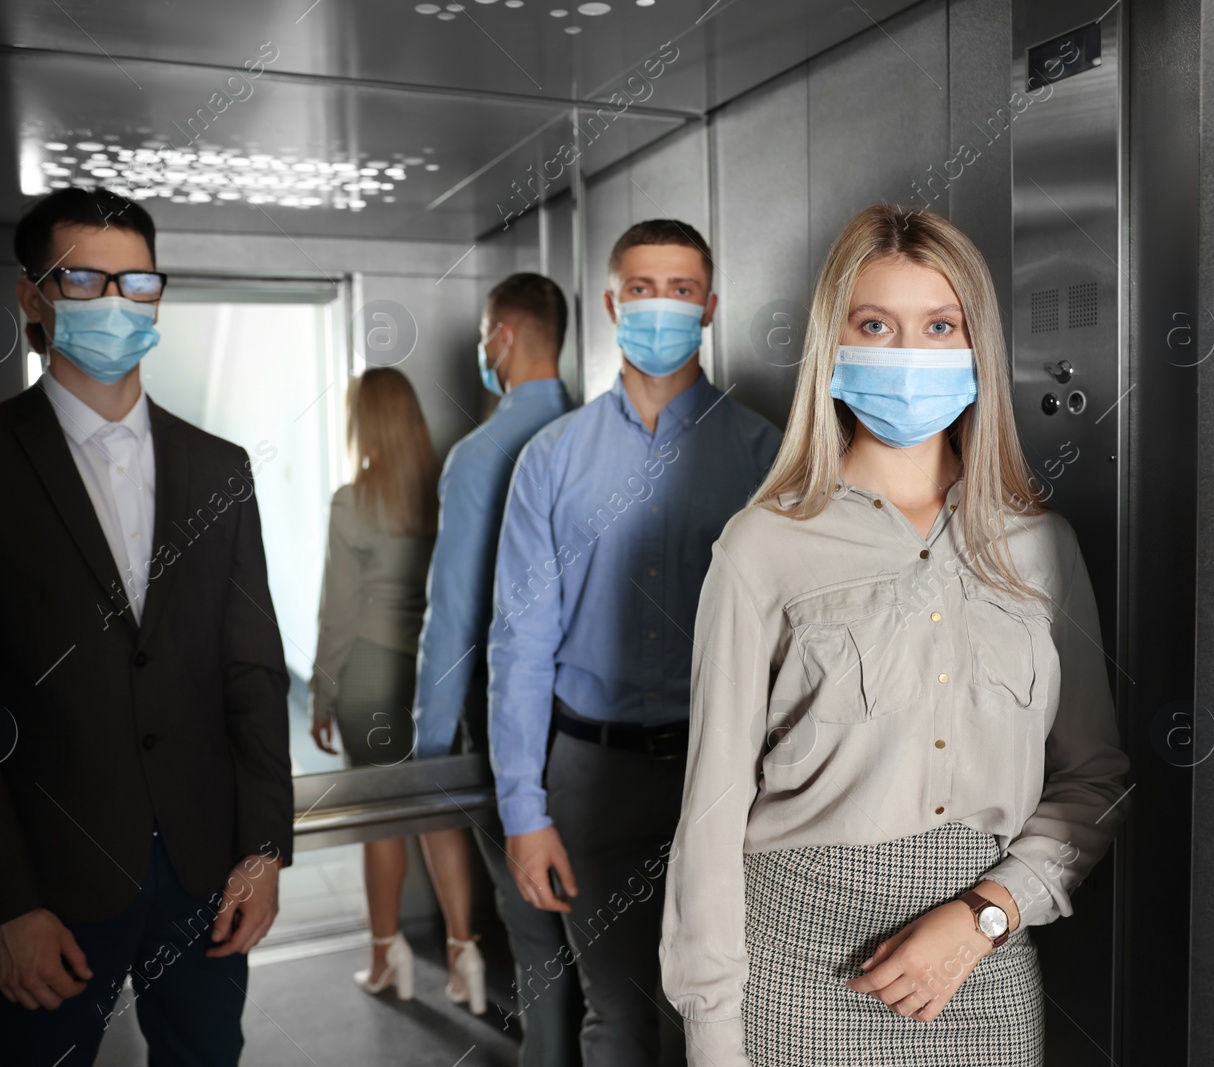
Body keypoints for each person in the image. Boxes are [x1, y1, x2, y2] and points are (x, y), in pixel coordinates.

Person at [659, 203, 1133, 1067]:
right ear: (833, 353)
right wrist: (714, 1037)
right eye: (876, 325)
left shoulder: (1041, 547)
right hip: (795, 973)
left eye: (938, 326)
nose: (907, 354)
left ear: (977, 349)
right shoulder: (763, 545)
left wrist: (984, 913)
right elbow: (712, 814)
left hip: (978, 971)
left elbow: (1095, 778)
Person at [0, 186, 292, 1066]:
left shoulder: (219, 468)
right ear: (33, 297)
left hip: (206, 871)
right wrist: (4, 901)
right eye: (85, 281)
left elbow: (252, 670)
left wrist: (265, 848)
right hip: (52, 889)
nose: (115, 304)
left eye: (137, 284)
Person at [488, 220, 783, 1067]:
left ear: (711, 307)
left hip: (727, 772)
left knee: (715, 1015)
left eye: (682, 290)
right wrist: (523, 809)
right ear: (614, 302)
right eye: (644, 289)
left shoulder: (765, 455)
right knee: (612, 1016)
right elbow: (520, 643)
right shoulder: (550, 459)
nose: (662, 306)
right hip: (593, 777)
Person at [412, 273, 581, 1065]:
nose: (484, 350)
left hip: (507, 723)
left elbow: (454, 612)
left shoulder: (478, 457)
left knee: (532, 920)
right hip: (590, 729)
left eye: (486, 336)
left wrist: (430, 741)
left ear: (504, 338)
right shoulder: (595, 437)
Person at [308, 367, 484, 1012]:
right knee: (439, 815)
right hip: (434, 672)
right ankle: (467, 957)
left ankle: (388, 957)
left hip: (368, 678)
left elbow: (339, 612)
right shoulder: (444, 494)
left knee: (381, 823)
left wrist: (322, 696)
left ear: (364, 424)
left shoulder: (352, 502)